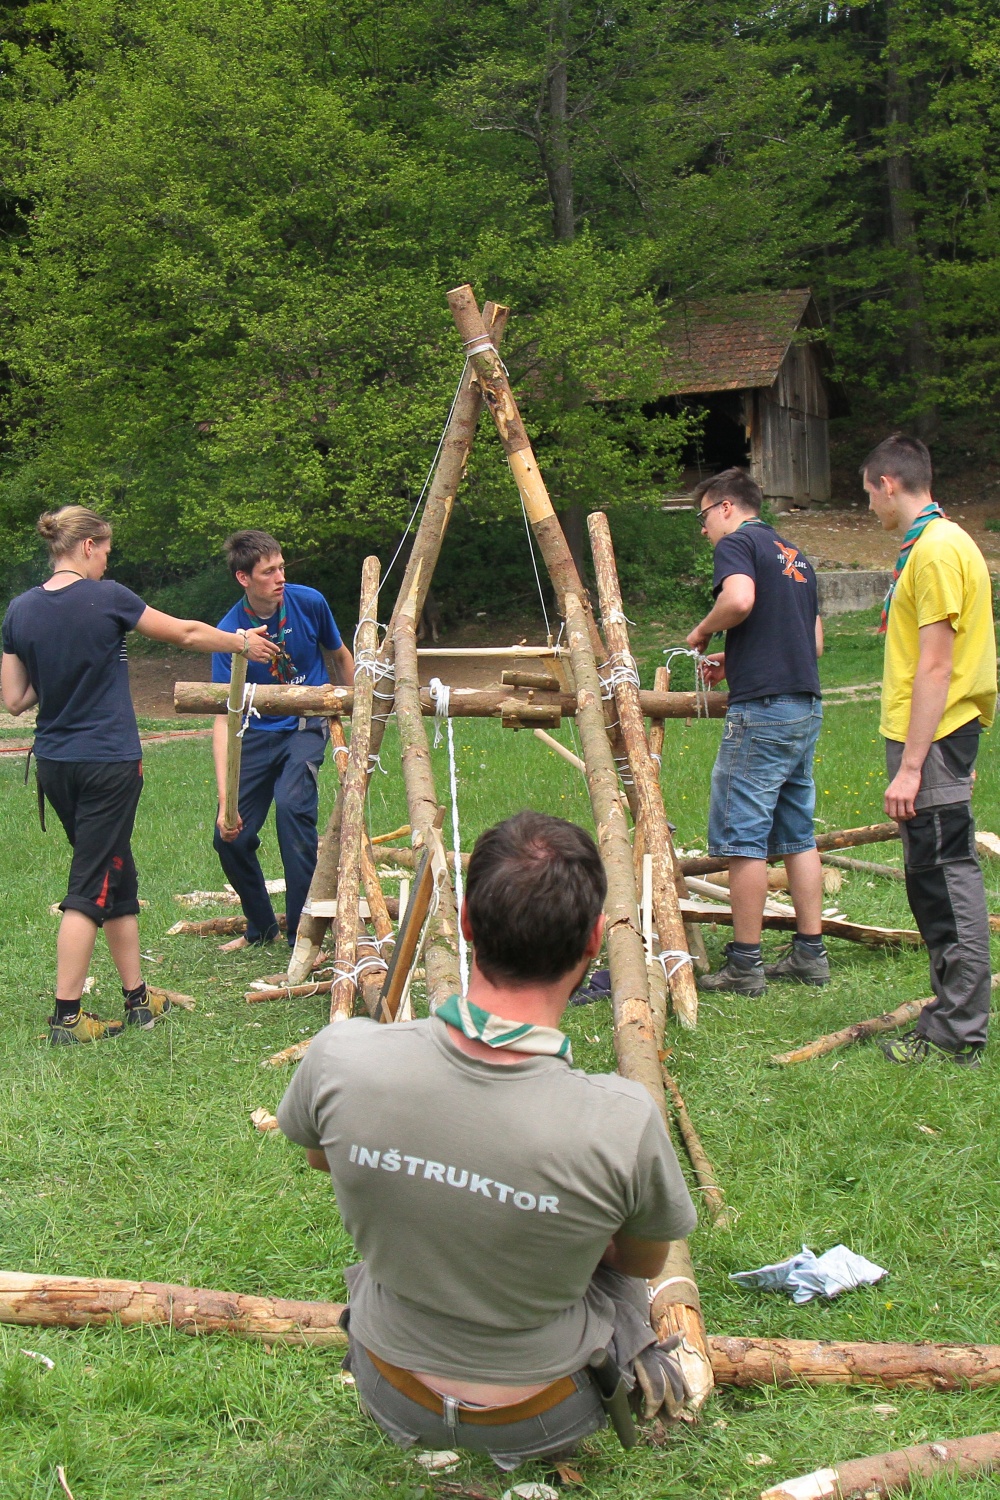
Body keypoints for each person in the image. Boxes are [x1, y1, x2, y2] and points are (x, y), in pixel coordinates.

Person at [277, 811, 697, 1469]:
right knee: (615, 1267)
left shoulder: (342, 1056)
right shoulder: (622, 1117)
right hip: (544, 1412)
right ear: (593, 941)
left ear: (467, 923)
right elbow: (643, 1264)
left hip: (390, 1384)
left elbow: (317, 1156)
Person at [0, 505, 279, 1045]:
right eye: (104, 551)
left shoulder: (20, 609)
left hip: (55, 764)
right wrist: (241, 641)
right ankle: (66, 1018)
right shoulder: (107, 597)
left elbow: (14, 699)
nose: (107, 561)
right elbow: (186, 633)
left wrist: (61, 671)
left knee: (115, 874)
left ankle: (137, 998)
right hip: (107, 762)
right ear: (86, 547)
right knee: (88, 886)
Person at [862, 436, 997, 1066]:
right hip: (928, 737)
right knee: (931, 878)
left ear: (889, 482)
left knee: (945, 877)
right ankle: (953, 1009)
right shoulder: (930, 547)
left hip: (936, 740)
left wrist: (912, 767)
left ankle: (959, 1030)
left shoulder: (938, 551)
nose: (869, 508)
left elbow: (937, 668)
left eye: (868, 493)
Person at [685, 468, 827, 995]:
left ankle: (745, 964)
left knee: (742, 839)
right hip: (804, 705)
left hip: (763, 712)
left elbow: (740, 601)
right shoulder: (796, 556)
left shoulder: (738, 544)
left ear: (725, 507)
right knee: (796, 834)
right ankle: (810, 954)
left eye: (703, 516)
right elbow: (809, 642)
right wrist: (737, 656)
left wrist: (704, 630)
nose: (704, 529)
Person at [211, 531, 354, 952]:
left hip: (305, 725)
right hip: (254, 733)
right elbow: (222, 718)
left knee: (293, 809)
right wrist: (225, 802)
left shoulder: (309, 601)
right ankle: (260, 926)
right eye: (268, 571)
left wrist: (357, 710)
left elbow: (340, 654)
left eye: (281, 567)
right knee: (229, 837)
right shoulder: (228, 633)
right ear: (243, 578)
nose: (280, 578)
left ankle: (302, 933)